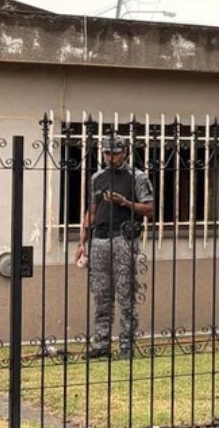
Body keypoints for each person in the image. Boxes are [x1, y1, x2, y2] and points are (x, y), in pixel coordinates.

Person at [75, 135, 155, 359]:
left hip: (124, 239)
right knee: (101, 294)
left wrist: (126, 203)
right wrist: (82, 242)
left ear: (125, 153)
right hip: (99, 240)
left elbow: (150, 209)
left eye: (115, 153)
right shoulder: (97, 178)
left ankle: (126, 346)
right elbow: (91, 211)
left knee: (125, 293)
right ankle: (101, 345)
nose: (110, 157)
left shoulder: (137, 177)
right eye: (107, 153)